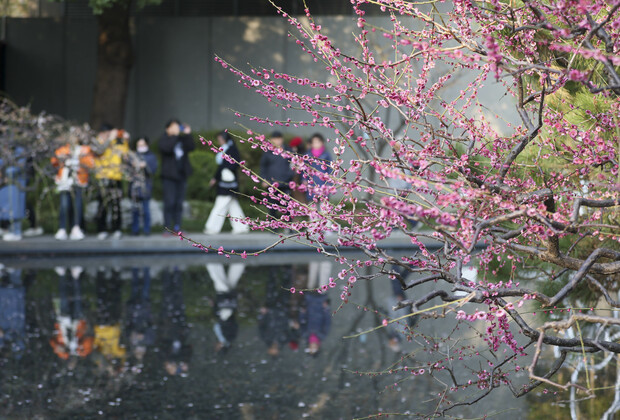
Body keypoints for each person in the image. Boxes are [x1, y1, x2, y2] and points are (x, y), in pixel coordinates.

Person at [203, 131, 249, 234]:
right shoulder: (225, 149)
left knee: (220, 204)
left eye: (221, 139)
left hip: (228, 182)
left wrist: (220, 174)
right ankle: (241, 227)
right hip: (225, 181)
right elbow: (221, 167)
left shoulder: (232, 149)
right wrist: (216, 177)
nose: (219, 141)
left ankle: (212, 227)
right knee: (233, 206)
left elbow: (233, 164)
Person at [51, 136, 95, 240]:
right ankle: (62, 228)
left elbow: (90, 163)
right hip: (65, 181)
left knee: (78, 205)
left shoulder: (84, 149)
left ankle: (76, 227)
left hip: (79, 180)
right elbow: (54, 161)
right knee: (64, 205)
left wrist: (80, 159)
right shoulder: (63, 149)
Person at [159, 119, 195, 233]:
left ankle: (177, 227)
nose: (176, 129)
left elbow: (191, 146)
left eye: (177, 127)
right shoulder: (164, 140)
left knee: (179, 203)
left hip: (181, 175)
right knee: (169, 202)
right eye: (173, 127)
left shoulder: (181, 139)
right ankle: (167, 228)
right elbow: (167, 148)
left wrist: (188, 134)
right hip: (169, 176)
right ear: (167, 129)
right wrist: (174, 135)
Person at [94, 125, 129, 240]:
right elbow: (99, 150)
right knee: (102, 205)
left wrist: (125, 140)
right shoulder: (96, 141)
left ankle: (116, 229)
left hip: (115, 177)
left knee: (116, 205)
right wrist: (109, 139)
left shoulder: (116, 142)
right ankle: (102, 229)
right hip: (102, 177)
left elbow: (125, 155)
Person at [259, 131, 295, 219]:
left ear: (282, 139)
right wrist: (264, 179)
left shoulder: (288, 150)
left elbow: (293, 165)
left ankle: (289, 226)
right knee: (272, 206)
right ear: (271, 140)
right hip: (272, 182)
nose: (277, 141)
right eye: (275, 139)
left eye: (279, 138)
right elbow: (263, 166)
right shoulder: (268, 151)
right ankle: (274, 226)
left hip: (286, 182)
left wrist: (290, 175)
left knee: (288, 205)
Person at [129, 137, 158, 236]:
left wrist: (145, 166)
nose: (140, 147)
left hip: (146, 186)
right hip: (135, 187)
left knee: (146, 210)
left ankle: (146, 230)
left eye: (142, 145)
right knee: (135, 210)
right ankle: (135, 230)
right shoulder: (133, 156)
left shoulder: (151, 156)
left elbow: (153, 171)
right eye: (139, 145)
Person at [0, 147, 27, 241]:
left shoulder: (20, 151)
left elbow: (20, 166)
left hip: (15, 184)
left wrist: (6, 173)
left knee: (15, 208)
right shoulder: (5, 151)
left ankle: (17, 231)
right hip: (6, 184)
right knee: (6, 209)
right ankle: (9, 230)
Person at [305, 133, 333, 202]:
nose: (316, 144)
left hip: (323, 183)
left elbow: (330, 169)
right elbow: (304, 169)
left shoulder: (326, 155)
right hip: (311, 183)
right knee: (312, 206)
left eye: (318, 142)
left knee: (324, 207)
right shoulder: (308, 155)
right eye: (314, 142)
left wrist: (330, 182)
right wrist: (304, 179)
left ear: (322, 143)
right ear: (311, 144)